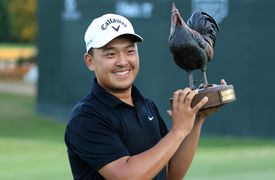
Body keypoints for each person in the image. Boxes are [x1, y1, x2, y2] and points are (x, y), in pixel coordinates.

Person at [64, 13, 226, 180]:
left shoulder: (146, 106)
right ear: (90, 61)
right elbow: (126, 176)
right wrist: (178, 131)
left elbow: (170, 174)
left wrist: (195, 120)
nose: (122, 61)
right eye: (110, 54)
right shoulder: (86, 117)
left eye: (129, 51)